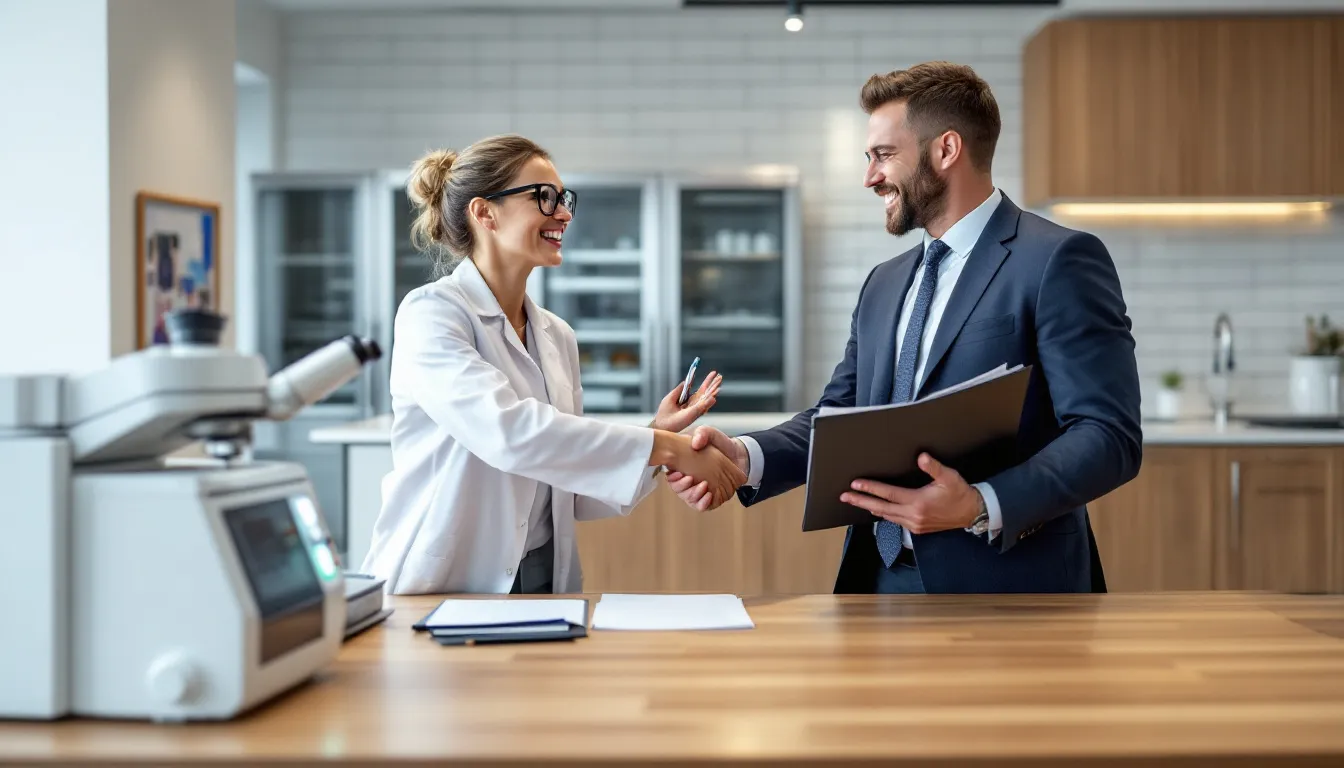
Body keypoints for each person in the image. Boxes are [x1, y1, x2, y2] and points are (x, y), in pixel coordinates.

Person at [668, 62, 1142, 594]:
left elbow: (1107, 435)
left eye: (883, 155)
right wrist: (746, 456)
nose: (871, 177)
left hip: (1010, 587)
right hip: (880, 581)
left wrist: (980, 503)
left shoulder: (1058, 259)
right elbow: (843, 415)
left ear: (946, 150)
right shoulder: (885, 283)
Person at [362, 134, 746, 595]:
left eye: (563, 199)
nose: (563, 213)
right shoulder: (433, 313)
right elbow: (509, 432)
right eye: (543, 197)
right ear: (485, 213)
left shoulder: (556, 336)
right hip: (445, 578)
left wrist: (657, 432)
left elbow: (572, 486)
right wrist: (665, 447)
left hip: (542, 577)